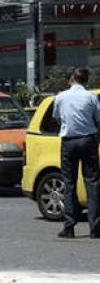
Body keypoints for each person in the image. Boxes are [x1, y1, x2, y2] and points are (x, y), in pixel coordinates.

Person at [52, 67, 100, 238]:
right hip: (88, 140)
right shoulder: (91, 97)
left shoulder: (61, 97)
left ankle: (69, 226)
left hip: (69, 142)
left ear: (72, 78)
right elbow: (98, 119)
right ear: (85, 80)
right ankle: (95, 227)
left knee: (69, 184)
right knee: (92, 182)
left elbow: (56, 118)